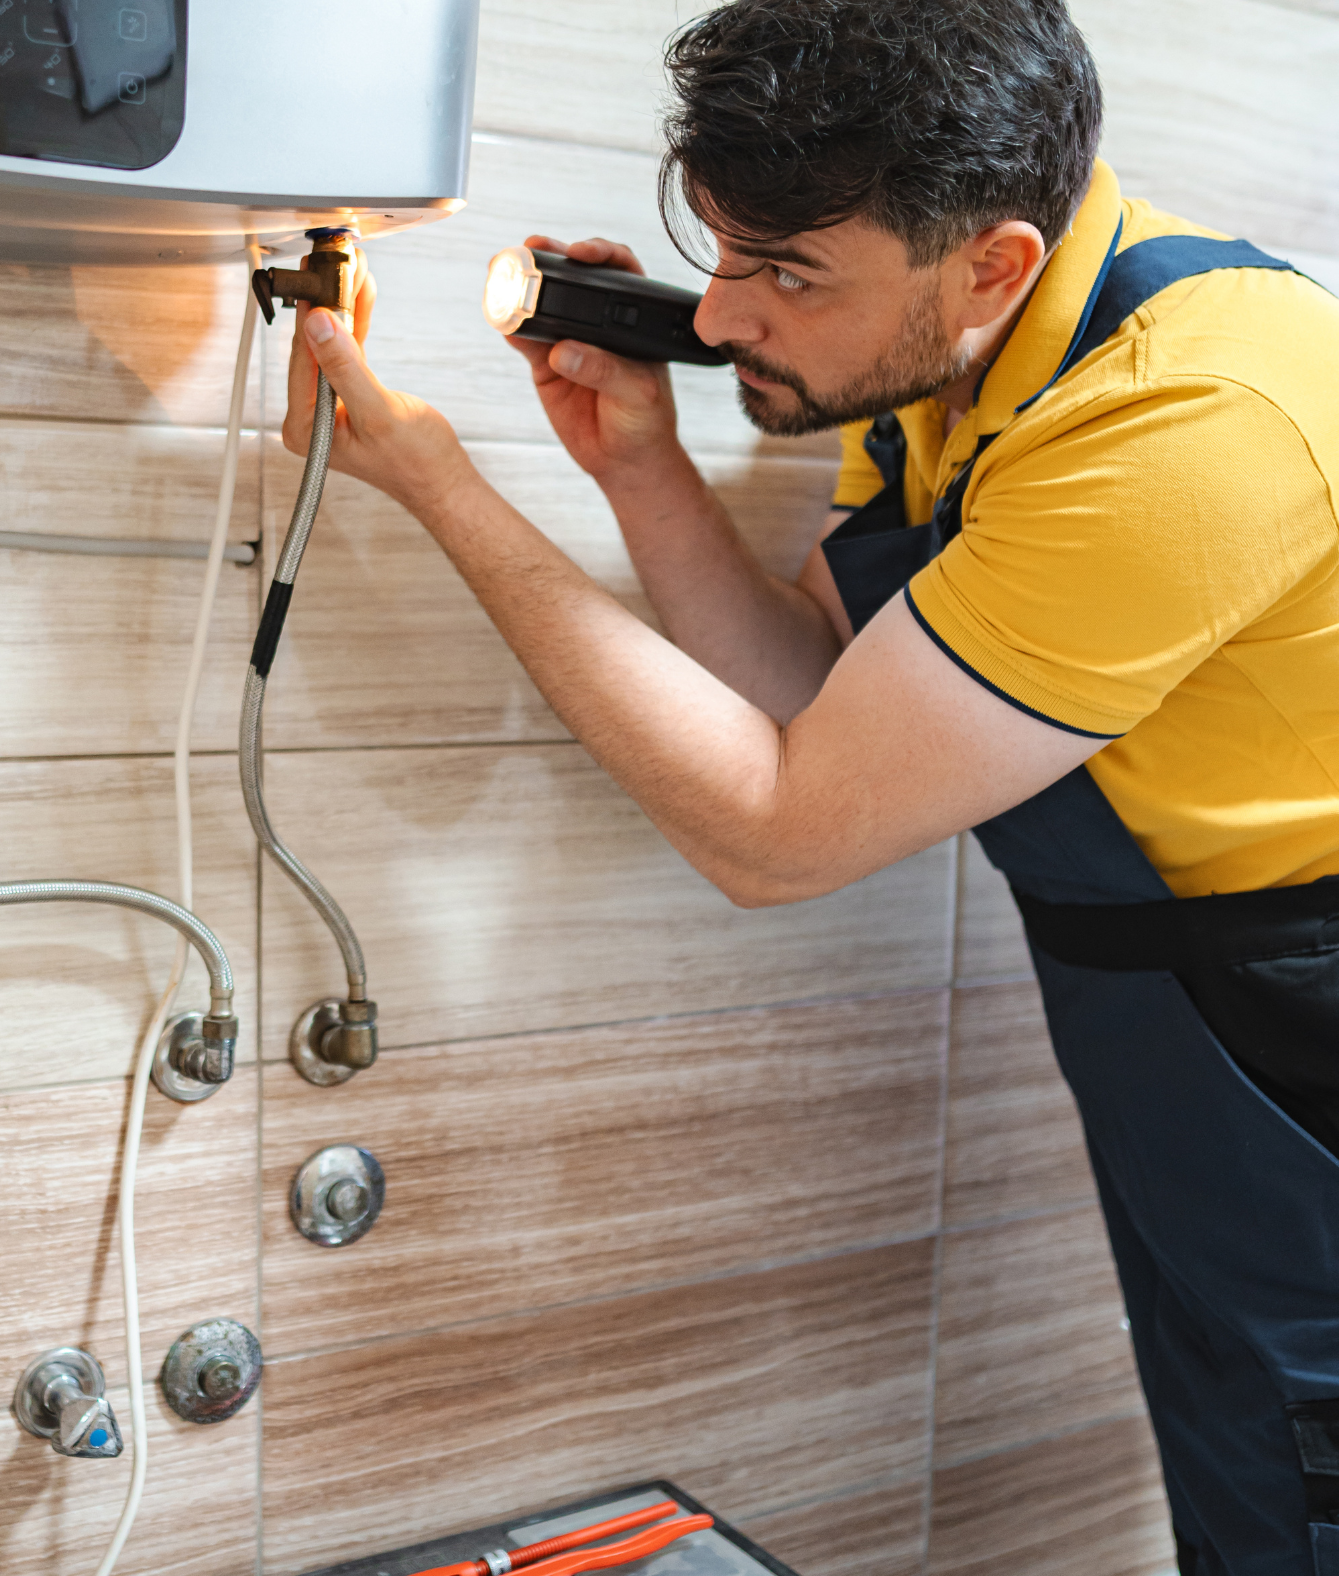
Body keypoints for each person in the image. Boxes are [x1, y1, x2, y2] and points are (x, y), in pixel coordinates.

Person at [277, 0, 1339, 1571]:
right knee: (1250, 1474)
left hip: (1291, 1035)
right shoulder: (955, 357)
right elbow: (820, 694)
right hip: (1172, 1038)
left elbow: (780, 835)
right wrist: (637, 464)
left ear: (992, 263)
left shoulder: (1190, 419)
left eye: (784, 276)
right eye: (721, 253)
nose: (714, 324)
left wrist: (442, 483)